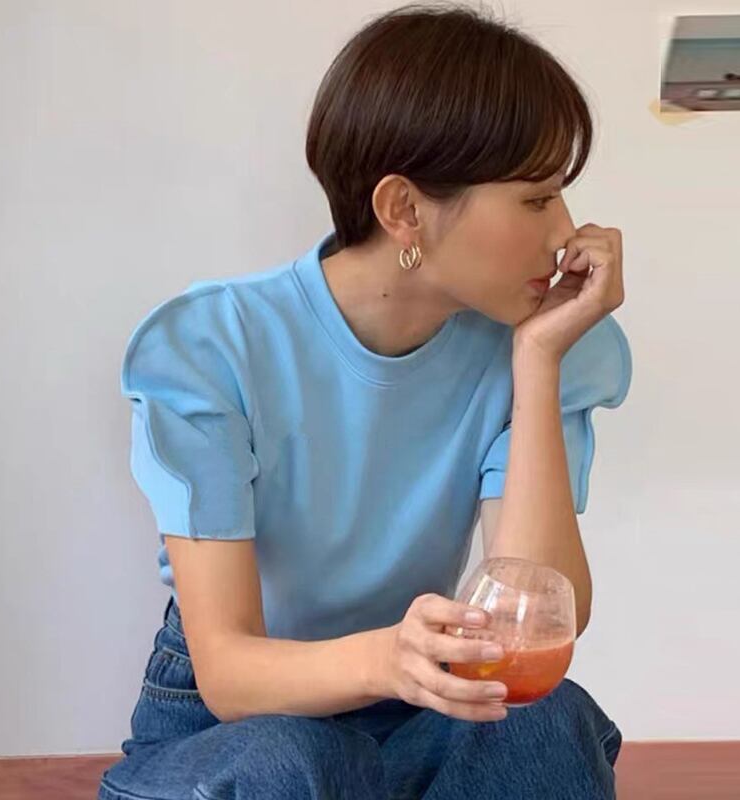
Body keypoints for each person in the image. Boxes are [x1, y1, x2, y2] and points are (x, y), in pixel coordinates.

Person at [98, 3, 632, 798]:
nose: (565, 233)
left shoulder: (534, 344)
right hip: (232, 723)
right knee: (293, 763)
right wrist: (388, 658)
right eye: (535, 199)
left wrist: (538, 361)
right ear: (403, 210)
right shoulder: (212, 346)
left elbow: (540, 619)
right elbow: (230, 672)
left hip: (420, 701)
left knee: (550, 722)